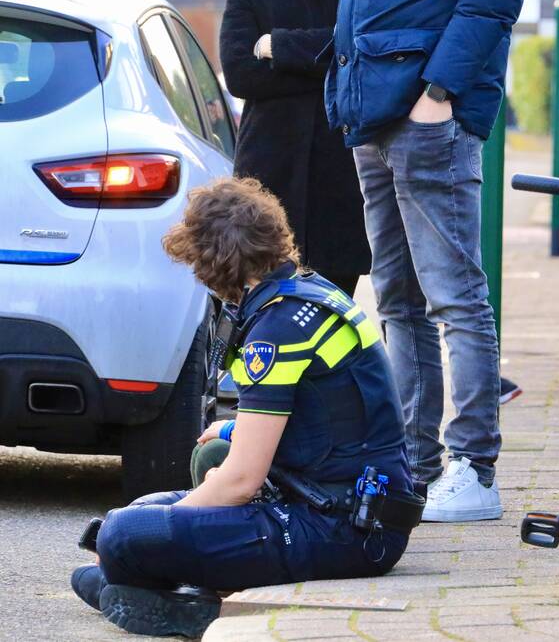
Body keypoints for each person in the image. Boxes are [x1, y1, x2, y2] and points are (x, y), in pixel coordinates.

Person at [69, 178, 422, 638]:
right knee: (142, 511)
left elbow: (240, 481)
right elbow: (325, 422)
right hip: (355, 510)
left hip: (342, 528)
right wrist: (232, 436)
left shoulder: (276, 328)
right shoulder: (306, 293)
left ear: (214, 262)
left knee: (125, 534)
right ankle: (145, 585)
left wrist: (147, 530)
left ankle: (161, 593)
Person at [324, 0, 527, 523]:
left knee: (455, 297)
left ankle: (474, 469)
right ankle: (414, 466)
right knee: (396, 301)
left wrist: (439, 91)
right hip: (374, 115)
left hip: (429, 115)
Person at [220, 0, 367, 299]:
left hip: (341, 172)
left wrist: (280, 46)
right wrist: (330, 67)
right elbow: (239, 74)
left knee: (333, 307)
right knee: (261, 301)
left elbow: (363, 51)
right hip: (269, 169)